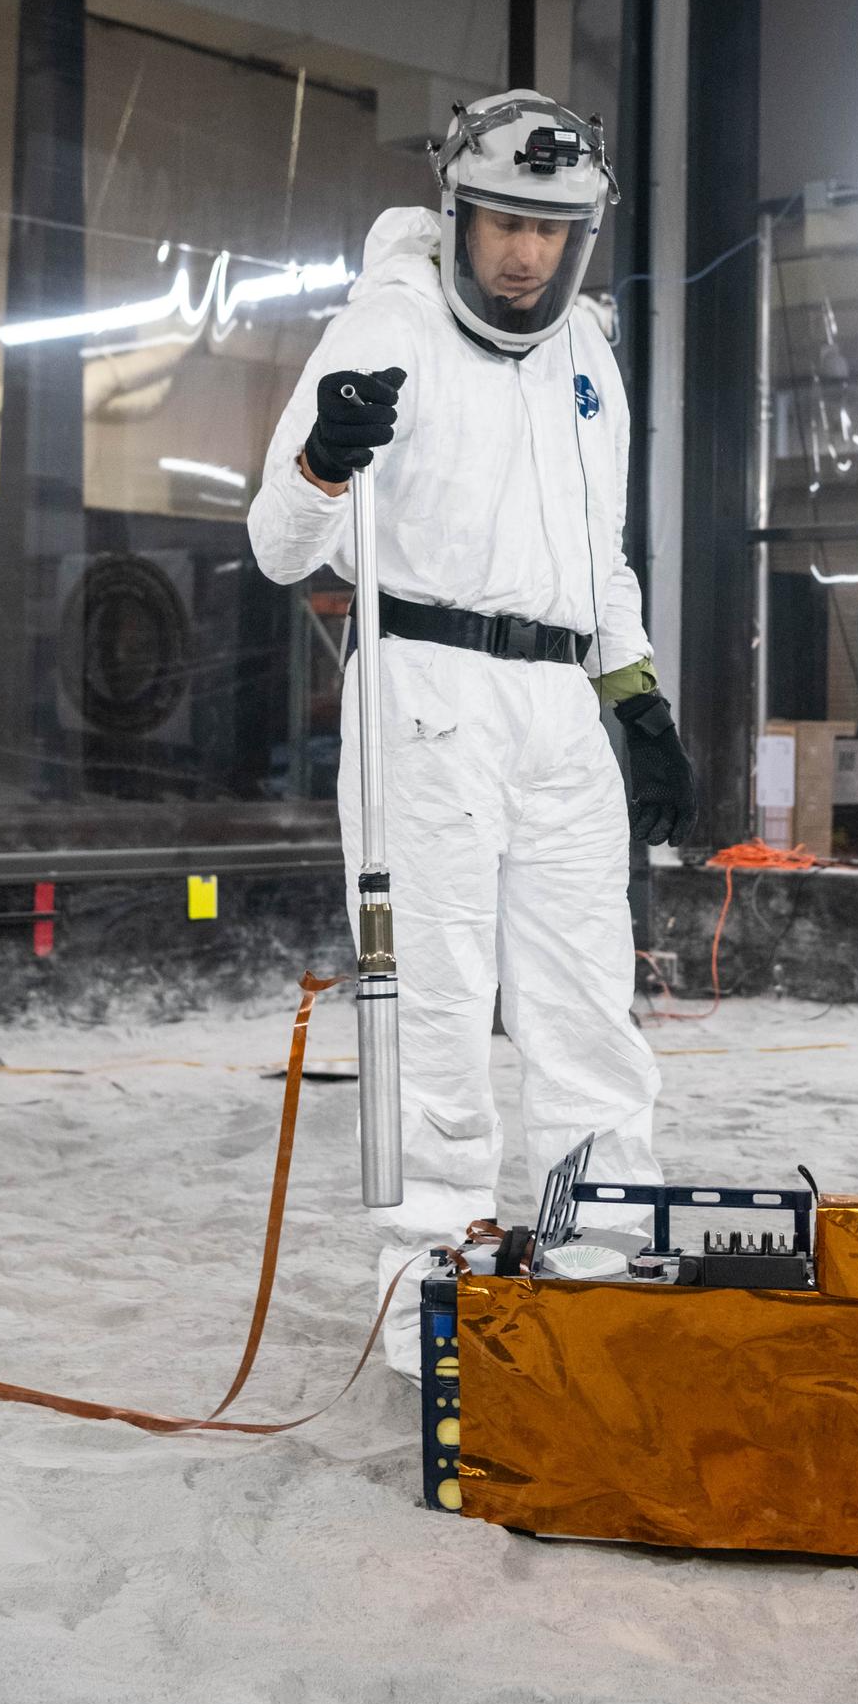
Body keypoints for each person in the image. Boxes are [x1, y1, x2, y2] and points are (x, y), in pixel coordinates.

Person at [247, 90, 697, 1381]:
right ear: (459, 213)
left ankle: (602, 1255)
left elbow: (598, 563)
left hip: (561, 715)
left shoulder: (590, 362)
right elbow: (281, 546)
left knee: (585, 1002)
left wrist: (639, 703)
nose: (524, 256)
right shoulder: (389, 324)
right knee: (431, 1011)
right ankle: (426, 1298)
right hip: (425, 699)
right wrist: (327, 460)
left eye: (551, 233)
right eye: (504, 222)